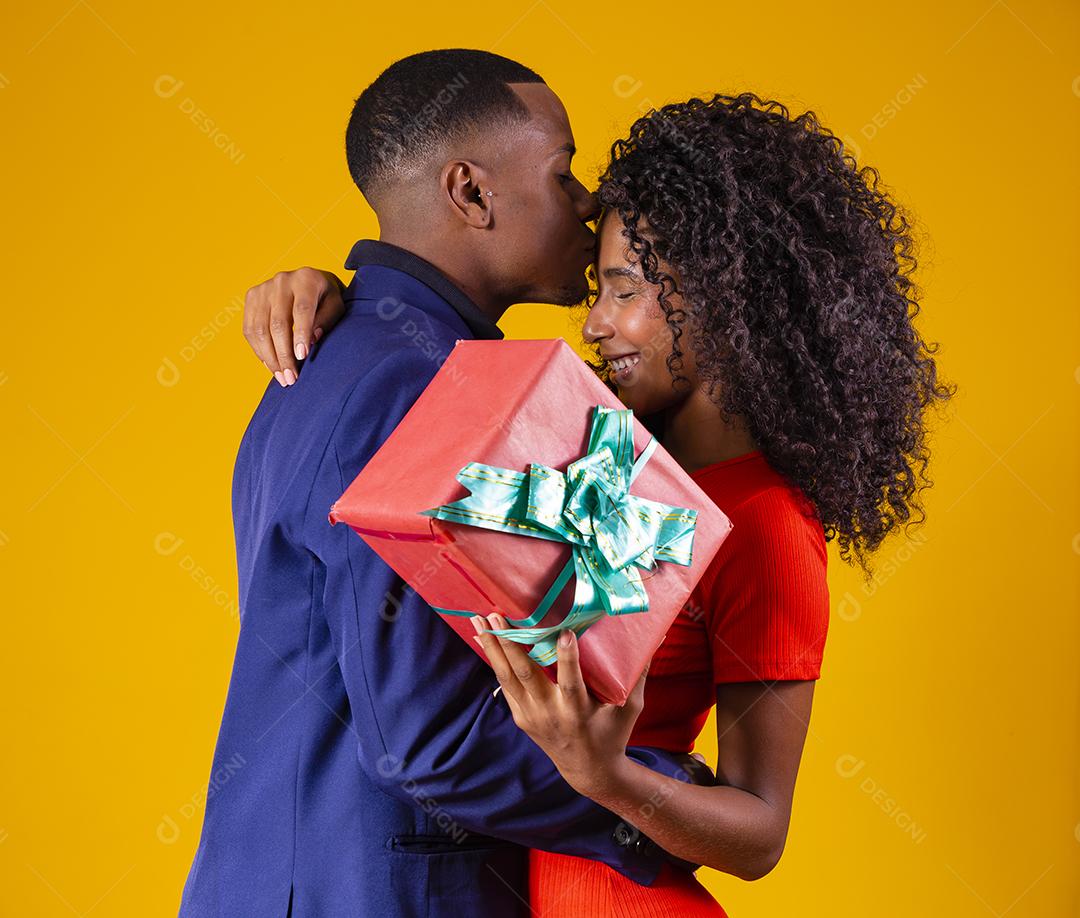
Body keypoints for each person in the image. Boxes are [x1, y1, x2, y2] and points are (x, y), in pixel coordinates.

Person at [250, 91, 952, 916]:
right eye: (598, 289)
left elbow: (761, 832)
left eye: (622, 290)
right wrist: (336, 292)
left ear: (728, 298)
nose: (593, 324)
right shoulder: (581, 439)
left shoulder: (767, 523)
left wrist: (607, 775)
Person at [179, 49, 714, 918]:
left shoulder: (335, 351)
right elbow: (428, 743)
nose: (588, 203)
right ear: (470, 192)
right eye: (564, 171)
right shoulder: (416, 382)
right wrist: (663, 796)